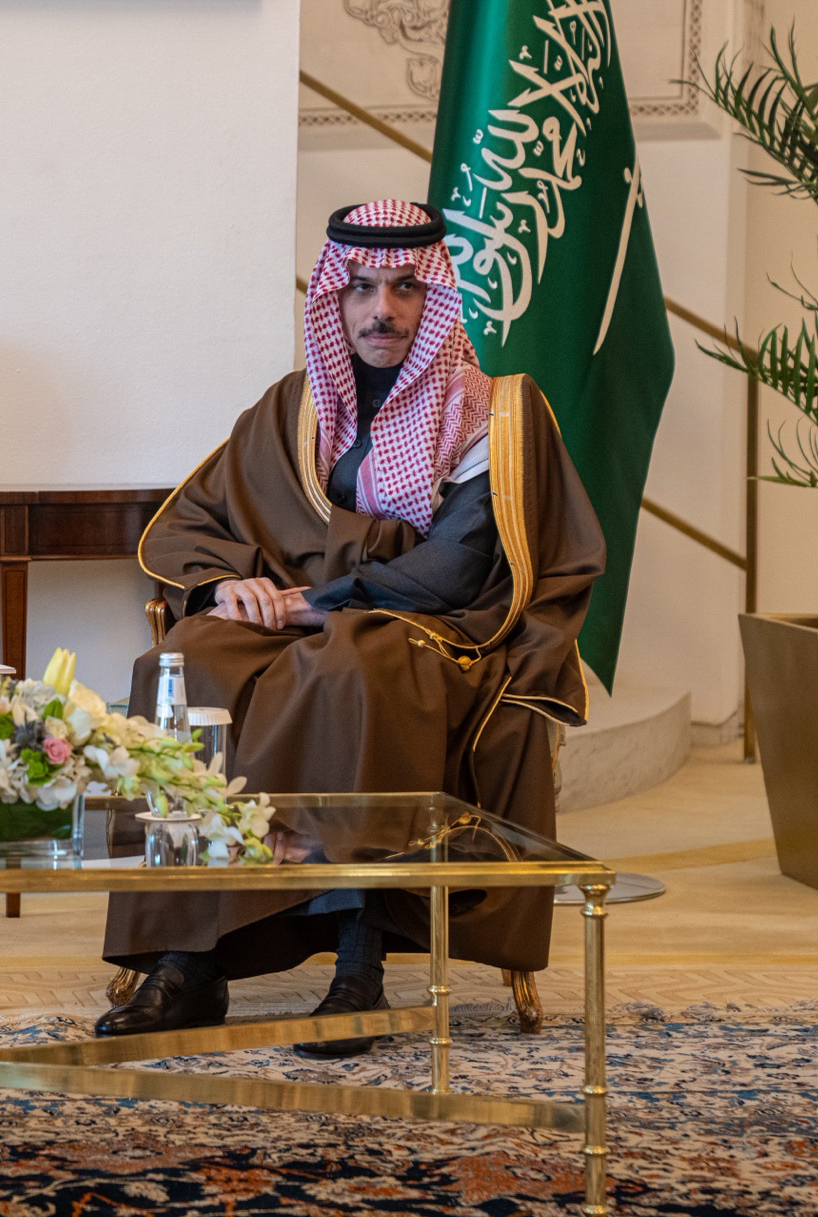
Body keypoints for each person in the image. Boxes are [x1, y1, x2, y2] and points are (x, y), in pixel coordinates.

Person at [96, 200, 604, 1055]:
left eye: (406, 288)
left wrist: (313, 603)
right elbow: (198, 522)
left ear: (433, 295)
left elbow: (457, 566)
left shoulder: (492, 411)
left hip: (434, 626)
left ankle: (357, 965)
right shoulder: (293, 406)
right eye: (361, 288)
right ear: (333, 300)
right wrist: (230, 589)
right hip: (303, 621)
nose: (383, 309)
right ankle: (190, 960)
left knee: (354, 669)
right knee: (186, 661)